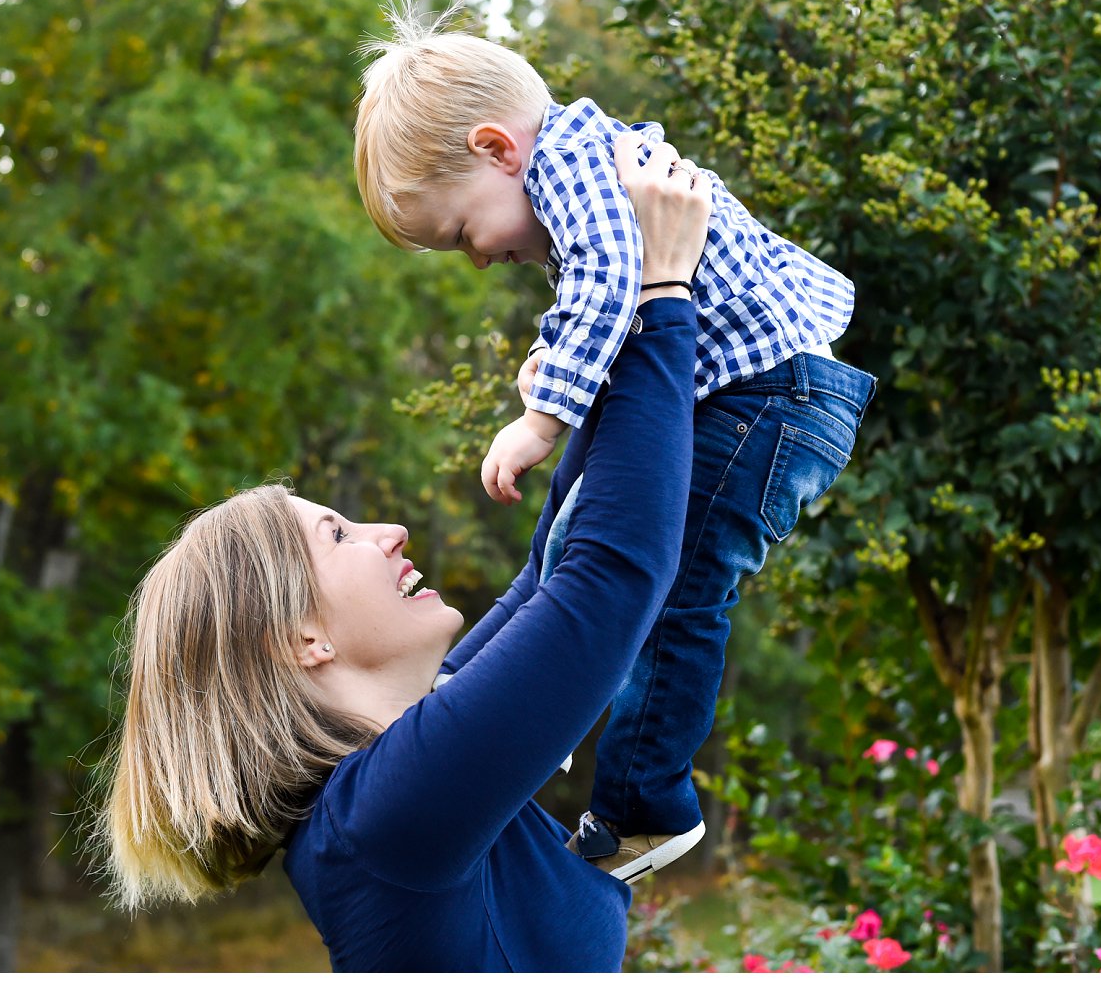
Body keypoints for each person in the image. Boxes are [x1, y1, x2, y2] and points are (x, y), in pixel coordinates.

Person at [95, 136, 710, 970]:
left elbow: (555, 571)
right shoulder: (386, 813)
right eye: (339, 534)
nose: (390, 532)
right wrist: (662, 292)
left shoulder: (398, 778)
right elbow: (608, 582)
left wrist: (583, 371)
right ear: (301, 637)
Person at [351, 0, 876, 879]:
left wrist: (542, 415)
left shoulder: (576, 167)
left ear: (495, 148)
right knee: (563, 553)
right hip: (748, 396)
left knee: (676, 591)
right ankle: (483, 697)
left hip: (770, 401)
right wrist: (552, 358)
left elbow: (607, 278)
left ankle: (647, 803)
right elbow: (601, 295)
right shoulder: (575, 167)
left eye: (460, 233)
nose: (478, 259)